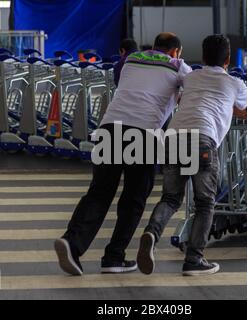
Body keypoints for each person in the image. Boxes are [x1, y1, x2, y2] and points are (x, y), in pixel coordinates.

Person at [54, 32, 192, 276]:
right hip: (143, 132)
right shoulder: (178, 66)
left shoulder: (130, 60)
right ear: (174, 52)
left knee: (99, 191)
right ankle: (114, 256)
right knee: (134, 198)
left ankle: (72, 242)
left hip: (109, 127)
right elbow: (194, 89)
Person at [136, 35, 247, 276]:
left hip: (174, 137)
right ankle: (194, 258)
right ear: (228, 59)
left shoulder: (190, 77)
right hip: (203, 139)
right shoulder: (234, 83)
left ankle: (152, 232)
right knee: (205, 203)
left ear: (202, 57)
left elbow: (199, 99)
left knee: (171, 198)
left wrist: (231, 111)